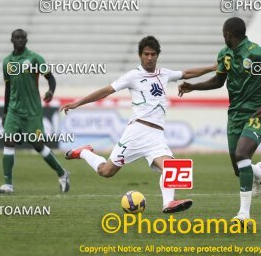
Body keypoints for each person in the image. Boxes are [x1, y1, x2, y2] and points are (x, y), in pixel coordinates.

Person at [60, 36, 216, 213]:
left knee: (171, 167)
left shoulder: (164, 73)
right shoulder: (133, 76)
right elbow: (106, 91)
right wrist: (78, 103)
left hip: (156, 136)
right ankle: (85, 152)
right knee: (106, 171)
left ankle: (168, 203)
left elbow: (186, 73)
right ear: (140, 55)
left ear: (158, 55)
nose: (149, 58)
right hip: (137, 132)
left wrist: (211, 67)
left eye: (153, 54)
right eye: (146, 54)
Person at [178, 17, 261, 223]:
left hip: (256, 114)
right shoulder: (224, 54)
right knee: (239, 169)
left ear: (228, 35)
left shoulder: (257, 53)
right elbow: (218, 81)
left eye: (224, 35)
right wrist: (194, 86)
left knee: (242, 154)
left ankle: (243, 214)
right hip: (234, 115)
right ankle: (258, 171)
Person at [0, 29, 70, 194]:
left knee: (37, 145)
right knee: (8, 141)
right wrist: (5, 111)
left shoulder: (35, 58)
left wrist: (51, 91)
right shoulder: (7, 61)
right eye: (17, 38)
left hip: (32, 111)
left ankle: (62, 173)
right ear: (11, 40)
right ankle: (8, 184)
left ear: (26, 40)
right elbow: (8, 87)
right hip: (14, 110)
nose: (20, 40)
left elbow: (50, 77)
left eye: (22, 38)